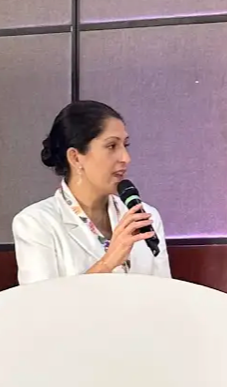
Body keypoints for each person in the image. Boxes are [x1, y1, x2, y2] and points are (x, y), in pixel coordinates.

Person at [13, 101, 172, 283]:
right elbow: (39, 300)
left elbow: (166, 293)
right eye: (111, 146)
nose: (126, 158)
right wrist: (108, 262)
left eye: (125, 145)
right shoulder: (36, 223)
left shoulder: (146, 217)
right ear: (75, 157)